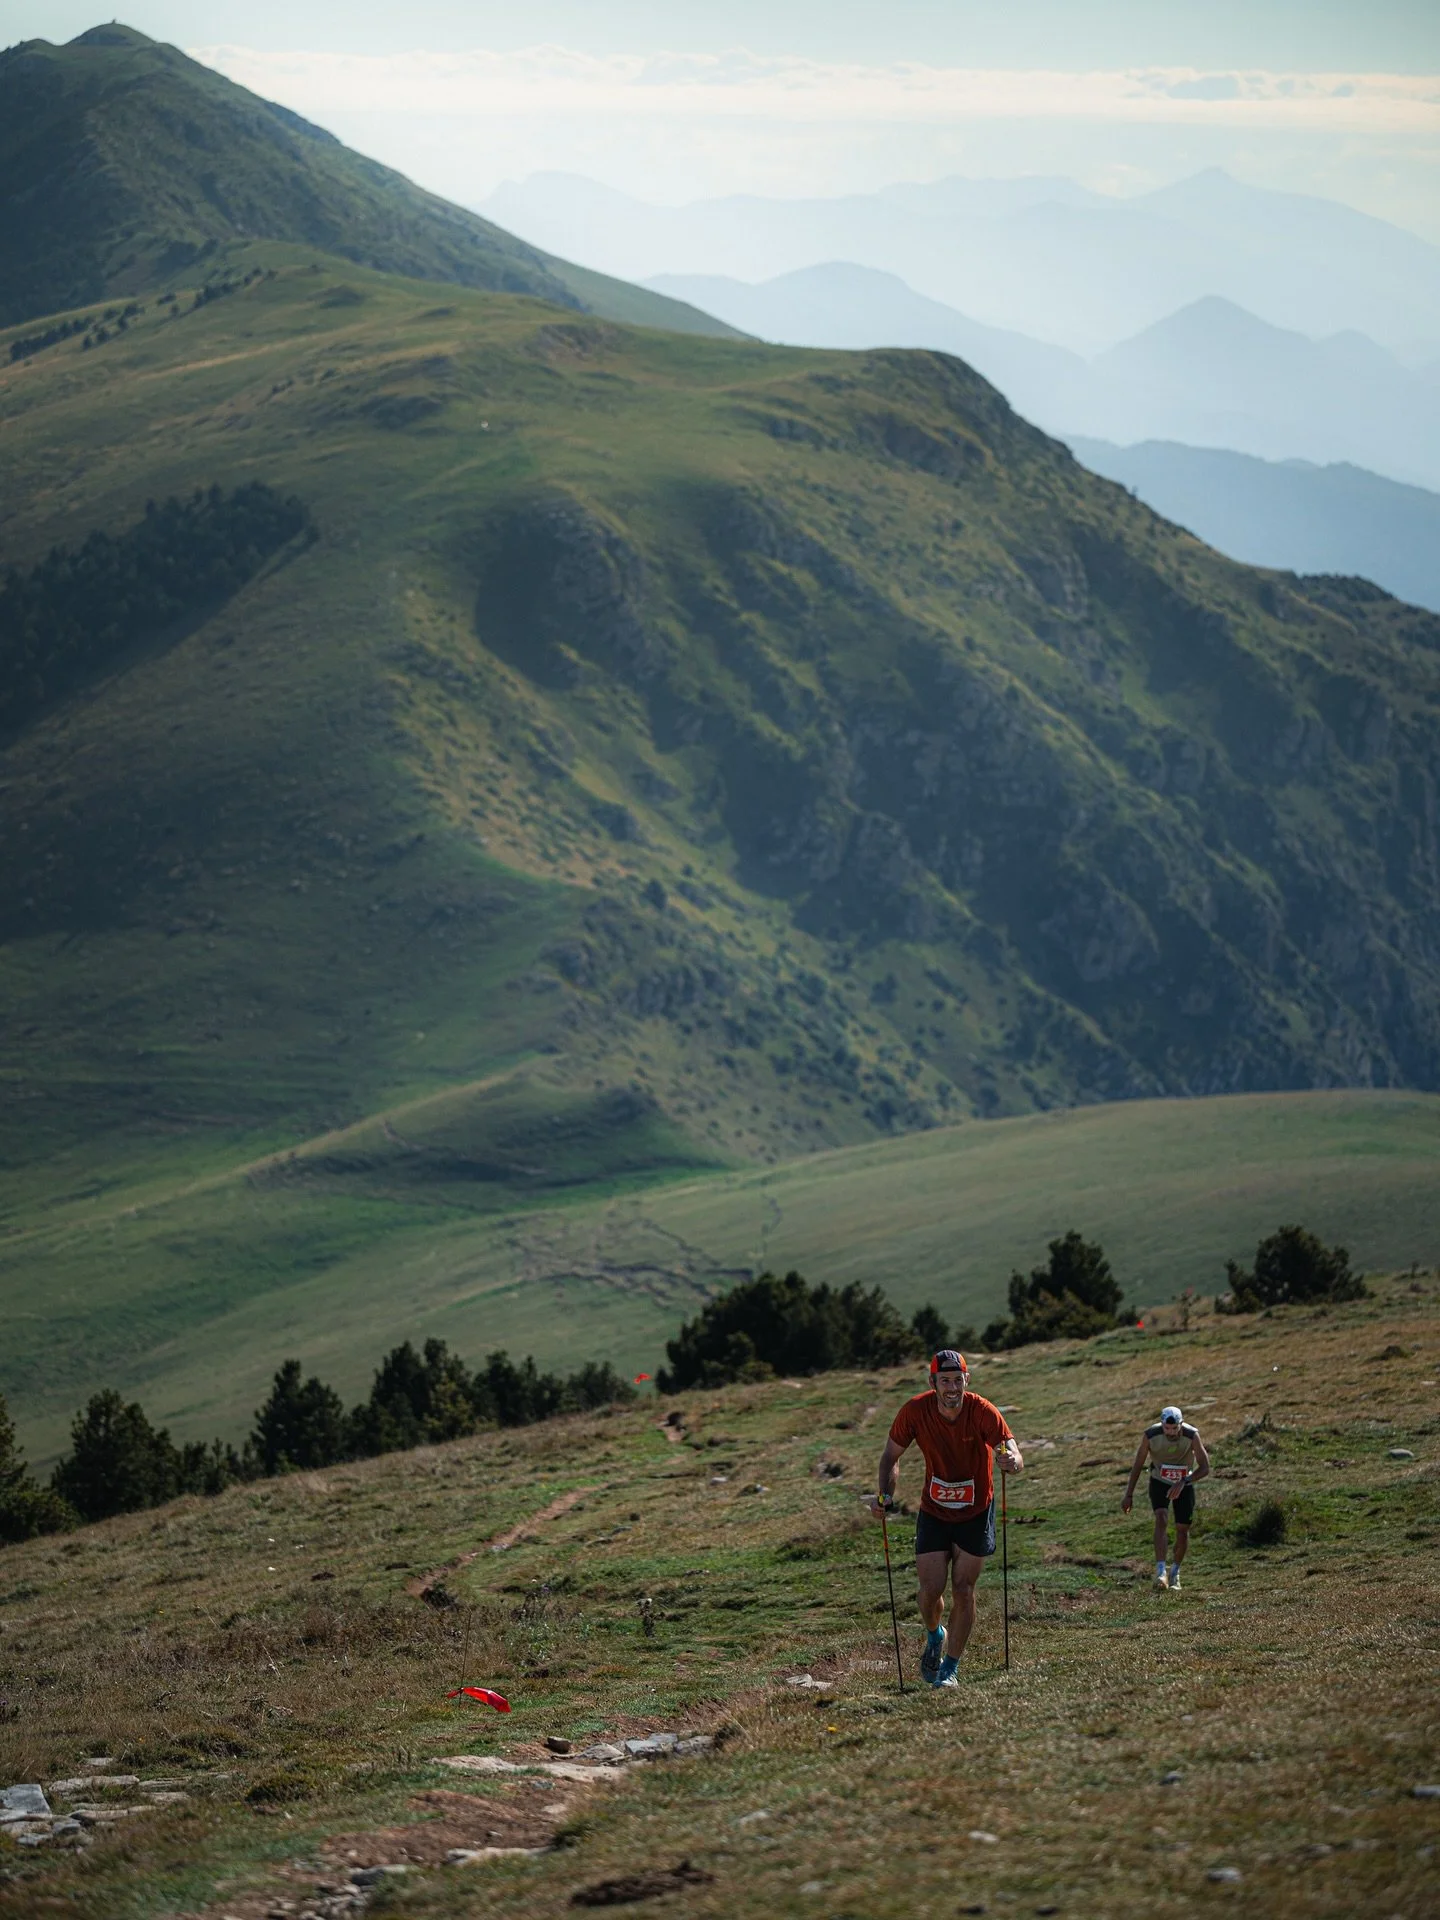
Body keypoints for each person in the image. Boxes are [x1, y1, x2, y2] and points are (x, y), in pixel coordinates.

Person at [870, 1349, 1023, 1688]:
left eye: (958, 1380)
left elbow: (1012, 1451)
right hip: (935, 1511)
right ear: (933, 1382)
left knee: (963, 1589)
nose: (952, 1388)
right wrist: (885, 1495)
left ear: (966, 1380)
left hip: (975, 1511)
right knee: (929, 1591)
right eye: (945, 1381)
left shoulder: (982, 1411)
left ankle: (949, 1668)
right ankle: (934, 1634)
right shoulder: (915, 1411)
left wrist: (1011, 1461)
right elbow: (891, 1456)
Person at [1122, 1404, 1210, 1590]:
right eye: (1166, 1428)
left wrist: (1184, 1481)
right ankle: (1161, 1572)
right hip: (1159, 1481)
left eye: (1174, 1428)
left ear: (1181, 1424)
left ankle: (1175, 1573)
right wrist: (1129, 1494)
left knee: (1182, 1529)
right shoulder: (1150, 1435)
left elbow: (1205, 1467)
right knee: (1161, 1518)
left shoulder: (1192, 1435)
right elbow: (1138, 1464)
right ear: (1161, 1425)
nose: (1170, 1432)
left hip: (1184, 1483)